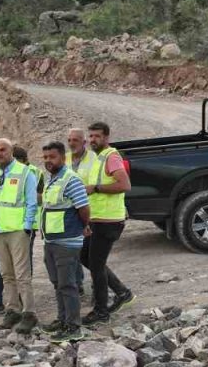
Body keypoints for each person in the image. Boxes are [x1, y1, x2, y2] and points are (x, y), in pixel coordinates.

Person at [81, 121, 135, 326]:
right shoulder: (98, 157)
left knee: (95, 264)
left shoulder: (111, 156)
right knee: (86, 257)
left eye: (97, 136)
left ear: (106, 137)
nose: (92, 139)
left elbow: (124, 184)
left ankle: (101, 311)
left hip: (109, 221)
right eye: (91, 136)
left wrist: (95, 188)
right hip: (97, 219)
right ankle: (122, 292)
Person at [37, 141, 91, 343]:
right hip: (52, 241)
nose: (48, 161)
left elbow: (83, 208)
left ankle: (74, 327)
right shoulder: (52, 179)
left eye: (52, 157)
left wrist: (83, 225)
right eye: (45, 157)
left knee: (68, 285)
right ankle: (62, 320)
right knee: (58, 283)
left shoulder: (70, 180)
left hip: (67, 243)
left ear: (62, 157)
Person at [0, 138, 40, 333]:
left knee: (22, 275)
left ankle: (29, 313)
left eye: (3, 150)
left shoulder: (25, 172)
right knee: (6, 275)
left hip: (18, 231)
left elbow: (32, 202)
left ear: (11, 151)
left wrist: (27, 227)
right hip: (0, 232)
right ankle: (12, 310)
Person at [65, 128, 94, 295]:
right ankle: (78, 284)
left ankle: (97, 286)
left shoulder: (94, 159)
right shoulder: (65, 159)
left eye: (75, 140)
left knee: (90, 254)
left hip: (89, 211)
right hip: (70, 212)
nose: (71, 143)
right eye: (69, 140)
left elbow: (95, 185)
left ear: (84, 142)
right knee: (72, 250)